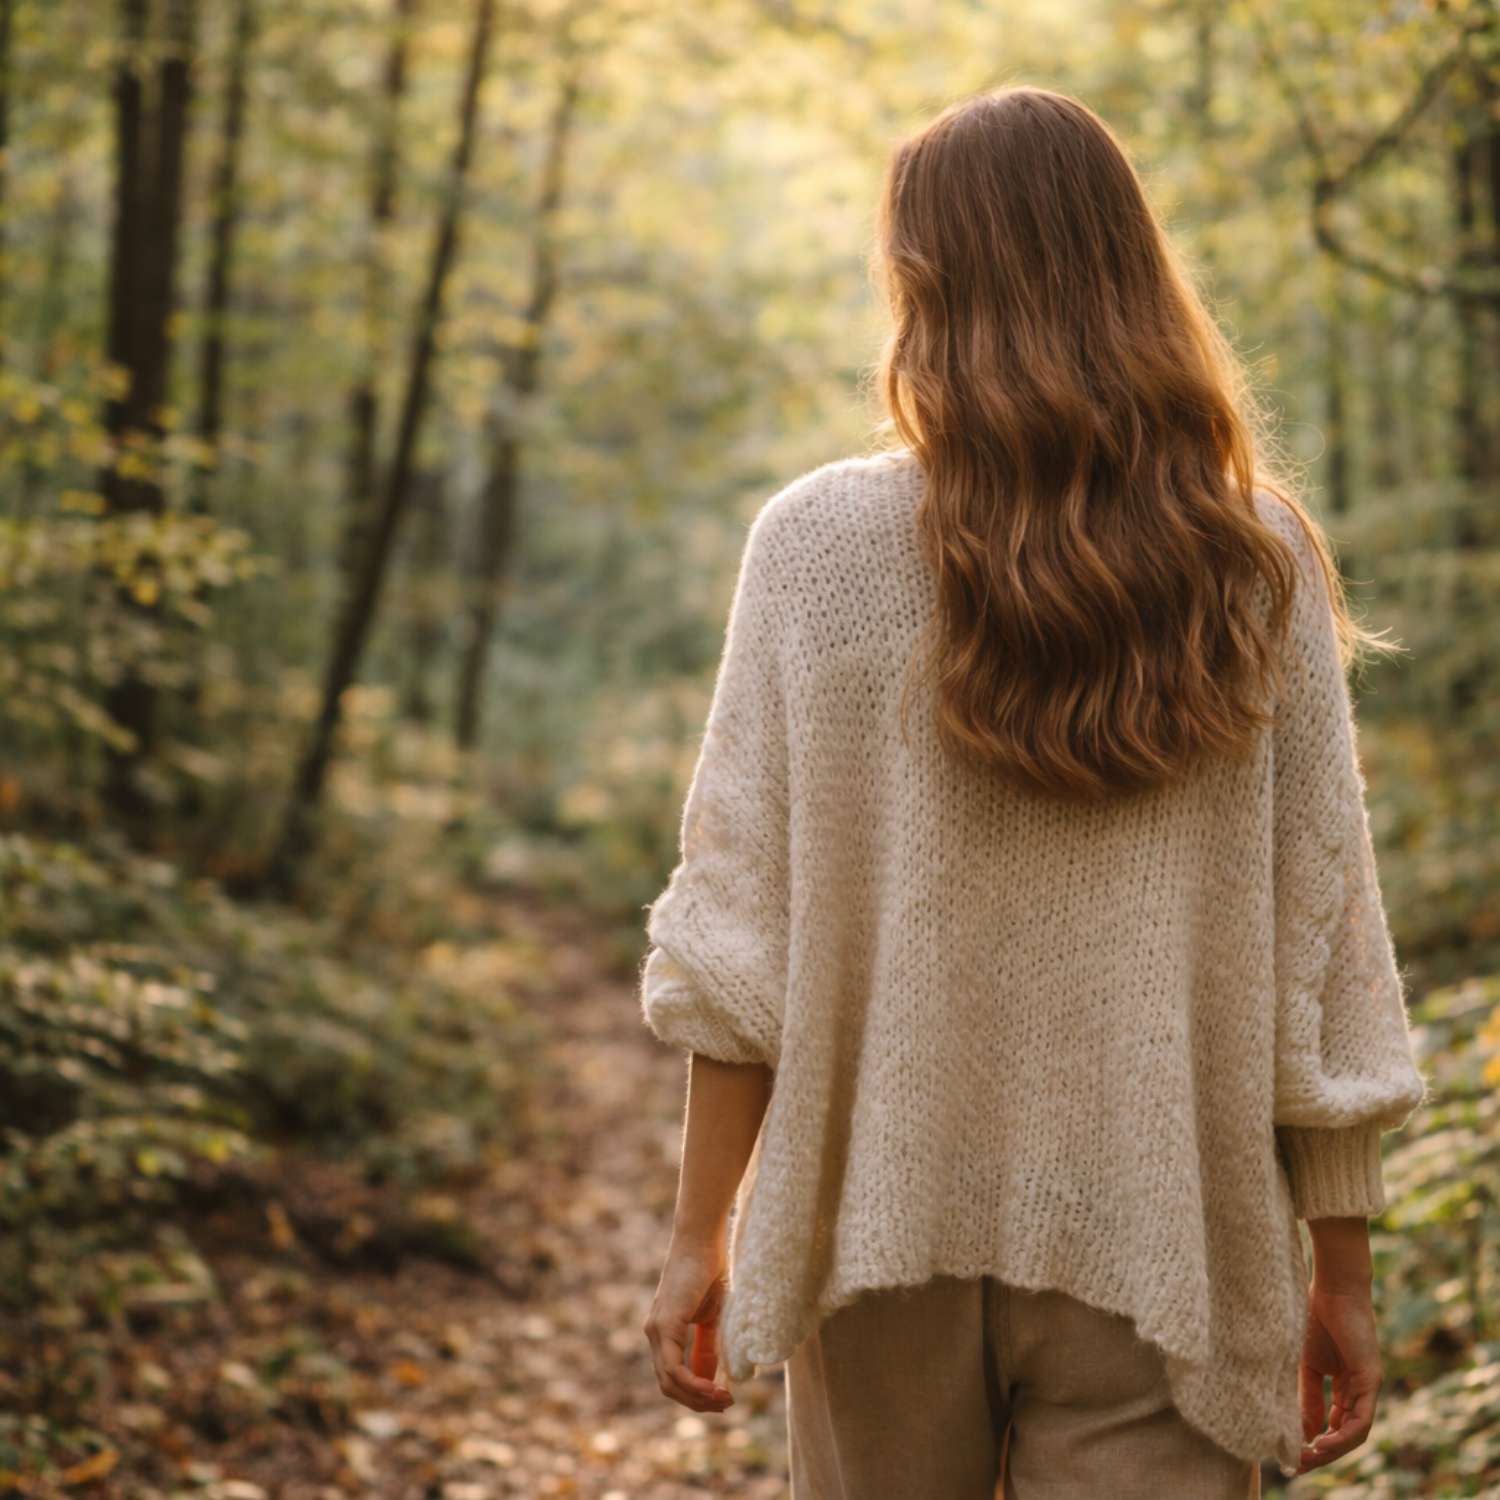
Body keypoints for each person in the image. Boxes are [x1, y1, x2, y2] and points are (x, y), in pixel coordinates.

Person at [635, 84, 1430, 1499]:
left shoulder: (814, 550)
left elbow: (734, 936)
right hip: (1167, 1234)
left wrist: (703, 1231)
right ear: (1131, 272)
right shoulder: (1253, 565)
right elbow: (1329, 945)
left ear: (922, 280)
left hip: (874, 1227)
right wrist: (1344, 1268)